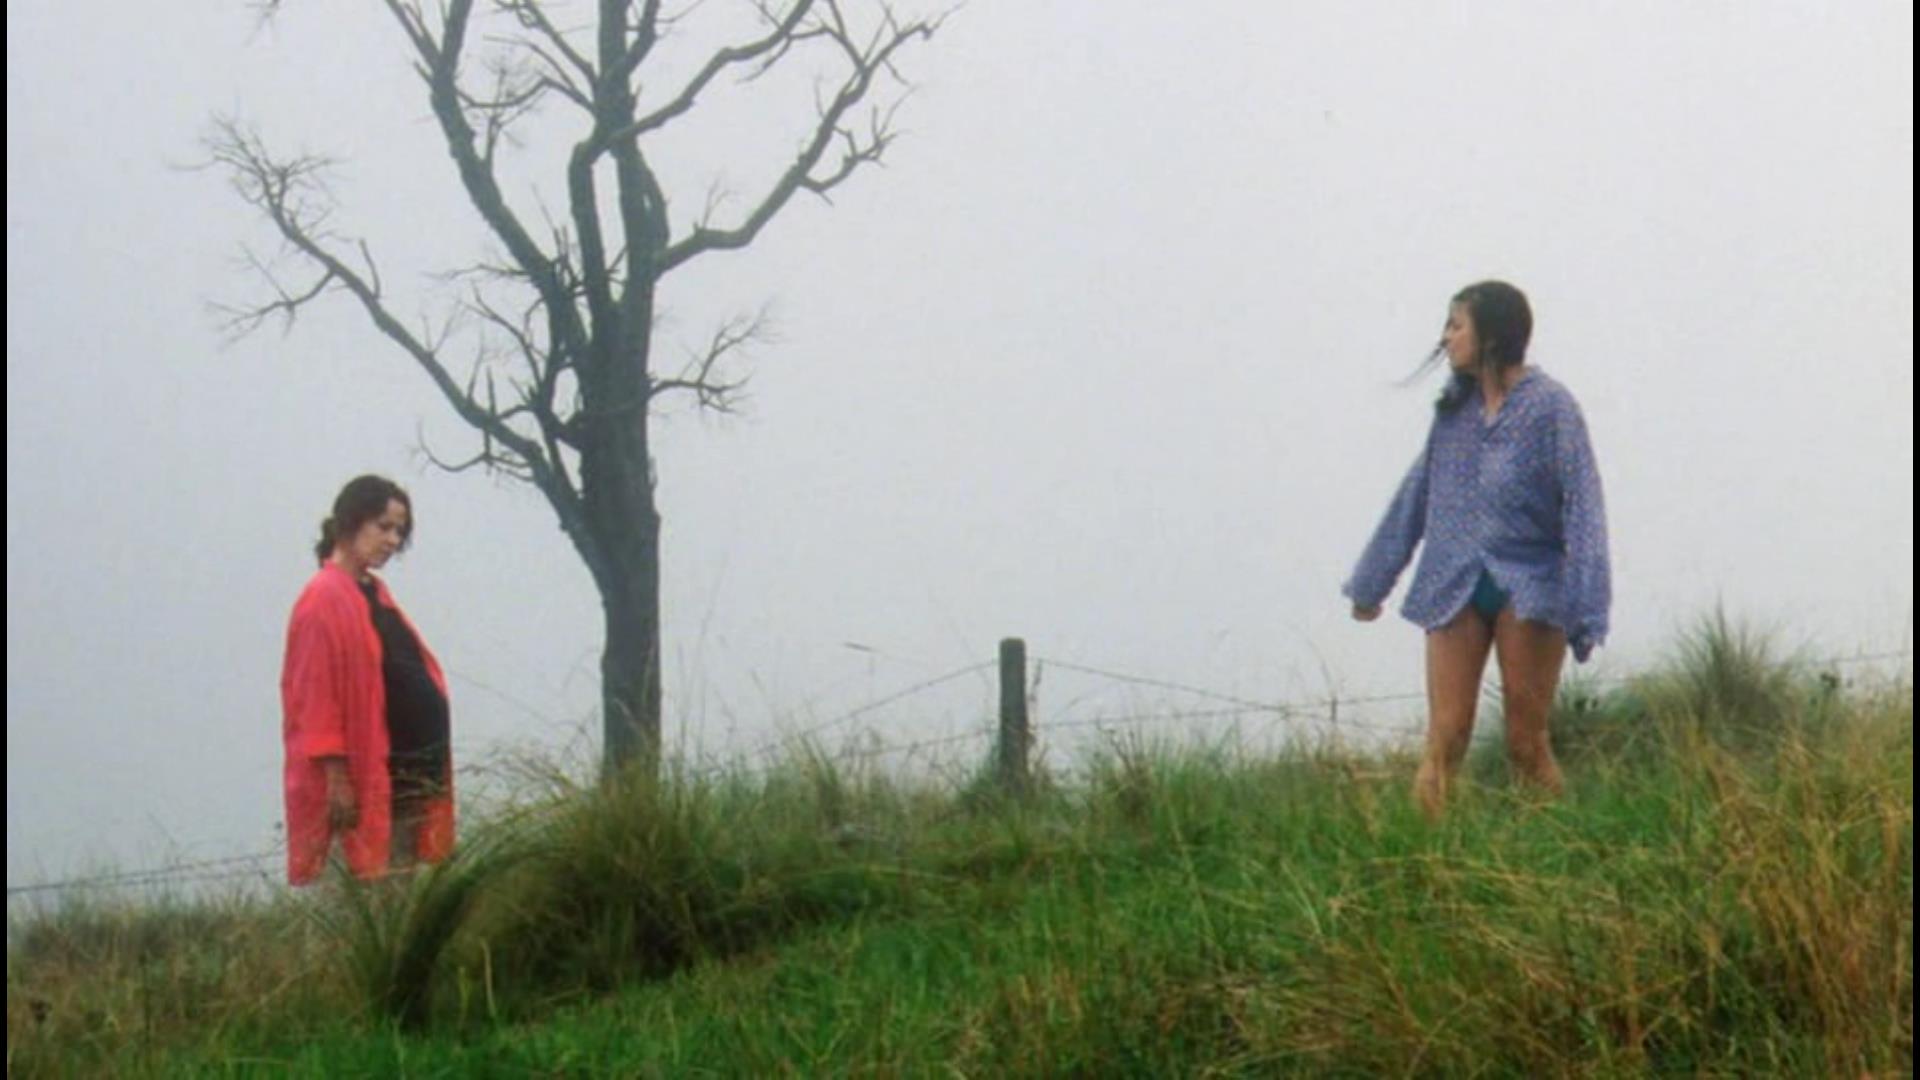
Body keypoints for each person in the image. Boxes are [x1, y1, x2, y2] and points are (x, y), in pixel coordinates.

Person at [1343, 281, 1610, 817]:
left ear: (1490, 334)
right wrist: (1372, 583)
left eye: (1456, 325)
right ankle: (1421, 853)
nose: (1446, 338)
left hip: (1529, 587)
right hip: (1453, 582)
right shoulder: (1454, 412)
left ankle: (1563, 845)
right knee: (1445, 737)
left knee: (1525, 743)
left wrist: (1587, 609)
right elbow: (1417, 493)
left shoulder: (1550, 407)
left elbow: (1584, 505)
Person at [281, 475, 454, 884]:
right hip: (363, 785)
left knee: (403, 899)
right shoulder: (322, 598)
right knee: (364, 897)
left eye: (399, 531)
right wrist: (337, 778)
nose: (392, 540)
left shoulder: (374, 592)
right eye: (384, 526)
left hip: (407, 781)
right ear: (351, 521)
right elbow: (313, 698)